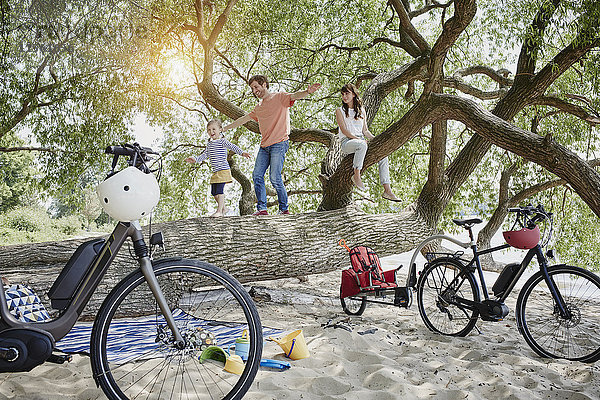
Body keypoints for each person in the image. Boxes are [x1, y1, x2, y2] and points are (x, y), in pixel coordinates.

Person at [223, 75, 321, 216]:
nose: (254, 90)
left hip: (279, 143)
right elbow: (243, 119)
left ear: (264, 84)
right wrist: (224, 128)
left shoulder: (280, 97)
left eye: (256, 87)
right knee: (257, 175)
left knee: (274, 177)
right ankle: (262, 209)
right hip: (264, 147)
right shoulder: (258, 108)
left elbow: (295, 96)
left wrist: (308, 92)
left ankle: (284, 209)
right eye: (252, 89)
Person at [335, 83, 400, 202]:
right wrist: (359, 140)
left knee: (383, 154)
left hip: (360, 141)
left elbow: (365, 131)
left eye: (347, 93)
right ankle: (356, 175)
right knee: (362, 145)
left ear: (354, 94)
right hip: (347, 142)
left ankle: (387, 190)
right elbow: (344, 130)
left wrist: (376, 140)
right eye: (343, 94)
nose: (344, 96)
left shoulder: (361, 111)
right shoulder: (340, 111)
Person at [186, 119, 250, 217]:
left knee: (220, 190)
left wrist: (242, 153)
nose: (211, 132)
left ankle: (219, 211)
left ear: (220, 130)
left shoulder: (222, 141)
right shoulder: (209, 144)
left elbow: (232, 146)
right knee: (214, 192)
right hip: (216, 172)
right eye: (209, 130)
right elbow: (204, 155)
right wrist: (195, 159)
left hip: (223, 169)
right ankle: (224, 208)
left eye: (213, 129)